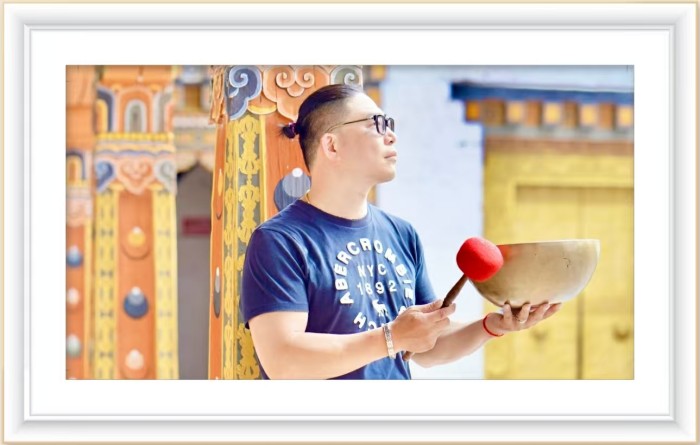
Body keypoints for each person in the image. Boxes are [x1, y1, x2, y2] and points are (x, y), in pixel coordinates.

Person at [241, 84, 561, 379]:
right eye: (377, 125)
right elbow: (283, 361)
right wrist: (390, 337)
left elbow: (427, 347)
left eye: (390, 124)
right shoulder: (280, 241)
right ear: (332, 145)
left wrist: (494, 324)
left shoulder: (401, 233)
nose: (391, 136)